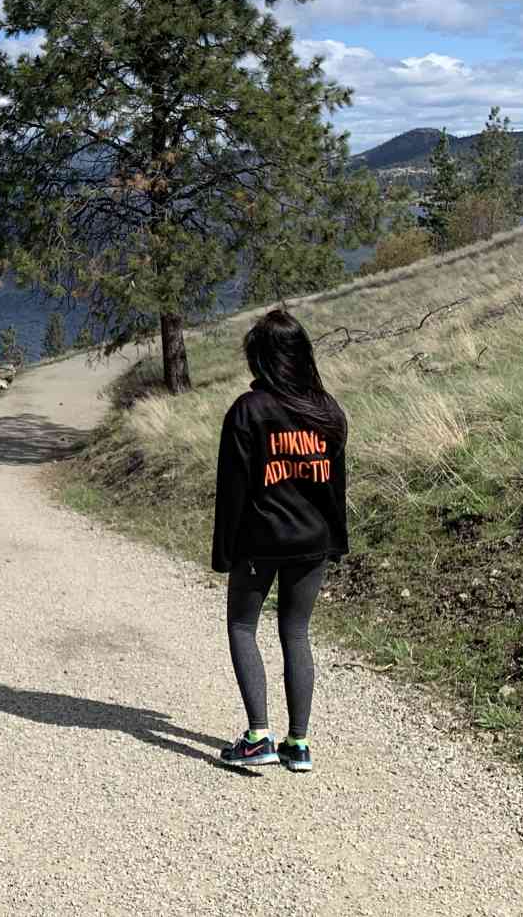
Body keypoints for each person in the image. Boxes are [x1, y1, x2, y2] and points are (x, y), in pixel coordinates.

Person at [211, 309, 348, 773]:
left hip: (259, 542)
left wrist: (224, 553)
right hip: (313, 541)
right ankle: (298, 744)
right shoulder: (327, 411)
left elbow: (232, 490)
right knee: (296, 632)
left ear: (260, 358)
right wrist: (336, 542)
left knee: (242, 626)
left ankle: (258, 737)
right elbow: (335, 488)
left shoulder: (248, 411)